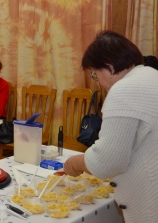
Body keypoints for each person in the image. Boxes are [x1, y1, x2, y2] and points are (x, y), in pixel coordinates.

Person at [63, 30, 158, 223]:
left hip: (150, 199)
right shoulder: (151, 75)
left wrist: (75, 163)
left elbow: (108, 161)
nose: (98, 82)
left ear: (109, 67)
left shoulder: (124, 89)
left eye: (95, 74)